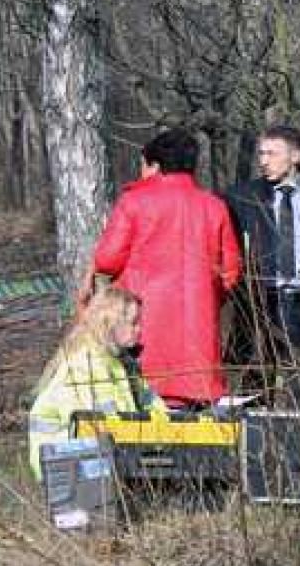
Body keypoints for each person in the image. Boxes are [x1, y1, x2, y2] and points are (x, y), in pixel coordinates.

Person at [80, 129, 242, 408]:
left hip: (143, 322)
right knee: (197, 416)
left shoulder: (134, 201)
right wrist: (207, 296)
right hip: (199, 331)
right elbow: (231, 273)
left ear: (156, 164)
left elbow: (107, 260)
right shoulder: (215, 207)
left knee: (143, 407)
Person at [225, 124, 300, 408]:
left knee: (298, 384)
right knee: (254, 384)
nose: (263, 161)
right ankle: (254, 431)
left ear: (295, 156)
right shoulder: (242, 197)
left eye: (272, 153)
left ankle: (295, 430)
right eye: (261, 153)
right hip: (257, 302)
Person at [29, 286, 166, 480]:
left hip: (99, 458)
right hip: (65, 466)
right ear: (110, 323)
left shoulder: (123, 363)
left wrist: (174, 430)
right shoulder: (85, 364)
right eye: (133, 323)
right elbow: (94, 427)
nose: (139, 330)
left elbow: (152, 405)